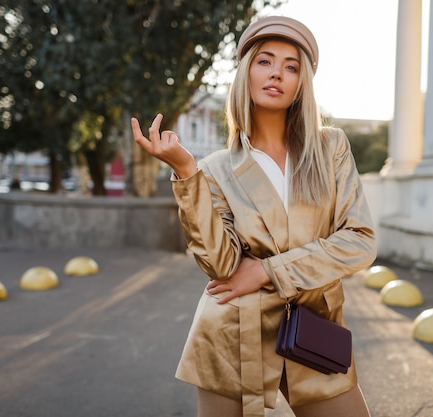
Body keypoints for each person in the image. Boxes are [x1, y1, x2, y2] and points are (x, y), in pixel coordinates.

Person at [132, 16, 376, 417]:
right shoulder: (214, 168)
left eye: (291, 66)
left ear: (301, 84)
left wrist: (267, 271)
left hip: (314, 324)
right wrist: (186, 172)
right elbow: (221, 264)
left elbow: (360, 241)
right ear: (246, 72)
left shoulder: (330, 147)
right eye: (265, 61)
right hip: (231, 333)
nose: (277, 72)